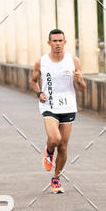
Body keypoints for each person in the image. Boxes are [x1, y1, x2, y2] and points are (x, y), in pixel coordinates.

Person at [30, 29, 86, 193]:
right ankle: (48, 151)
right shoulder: (41, 62)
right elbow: (33, 81)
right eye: (54, 41)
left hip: (68, 106)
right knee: (54, 138)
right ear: (49, 43)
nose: (57, 44)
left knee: (63, 146)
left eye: (60, 41)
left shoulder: (73, 60)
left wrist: (80, 80)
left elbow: (82, 88)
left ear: (65, 42)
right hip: (49, 105)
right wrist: (39, 92)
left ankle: (56, 179)